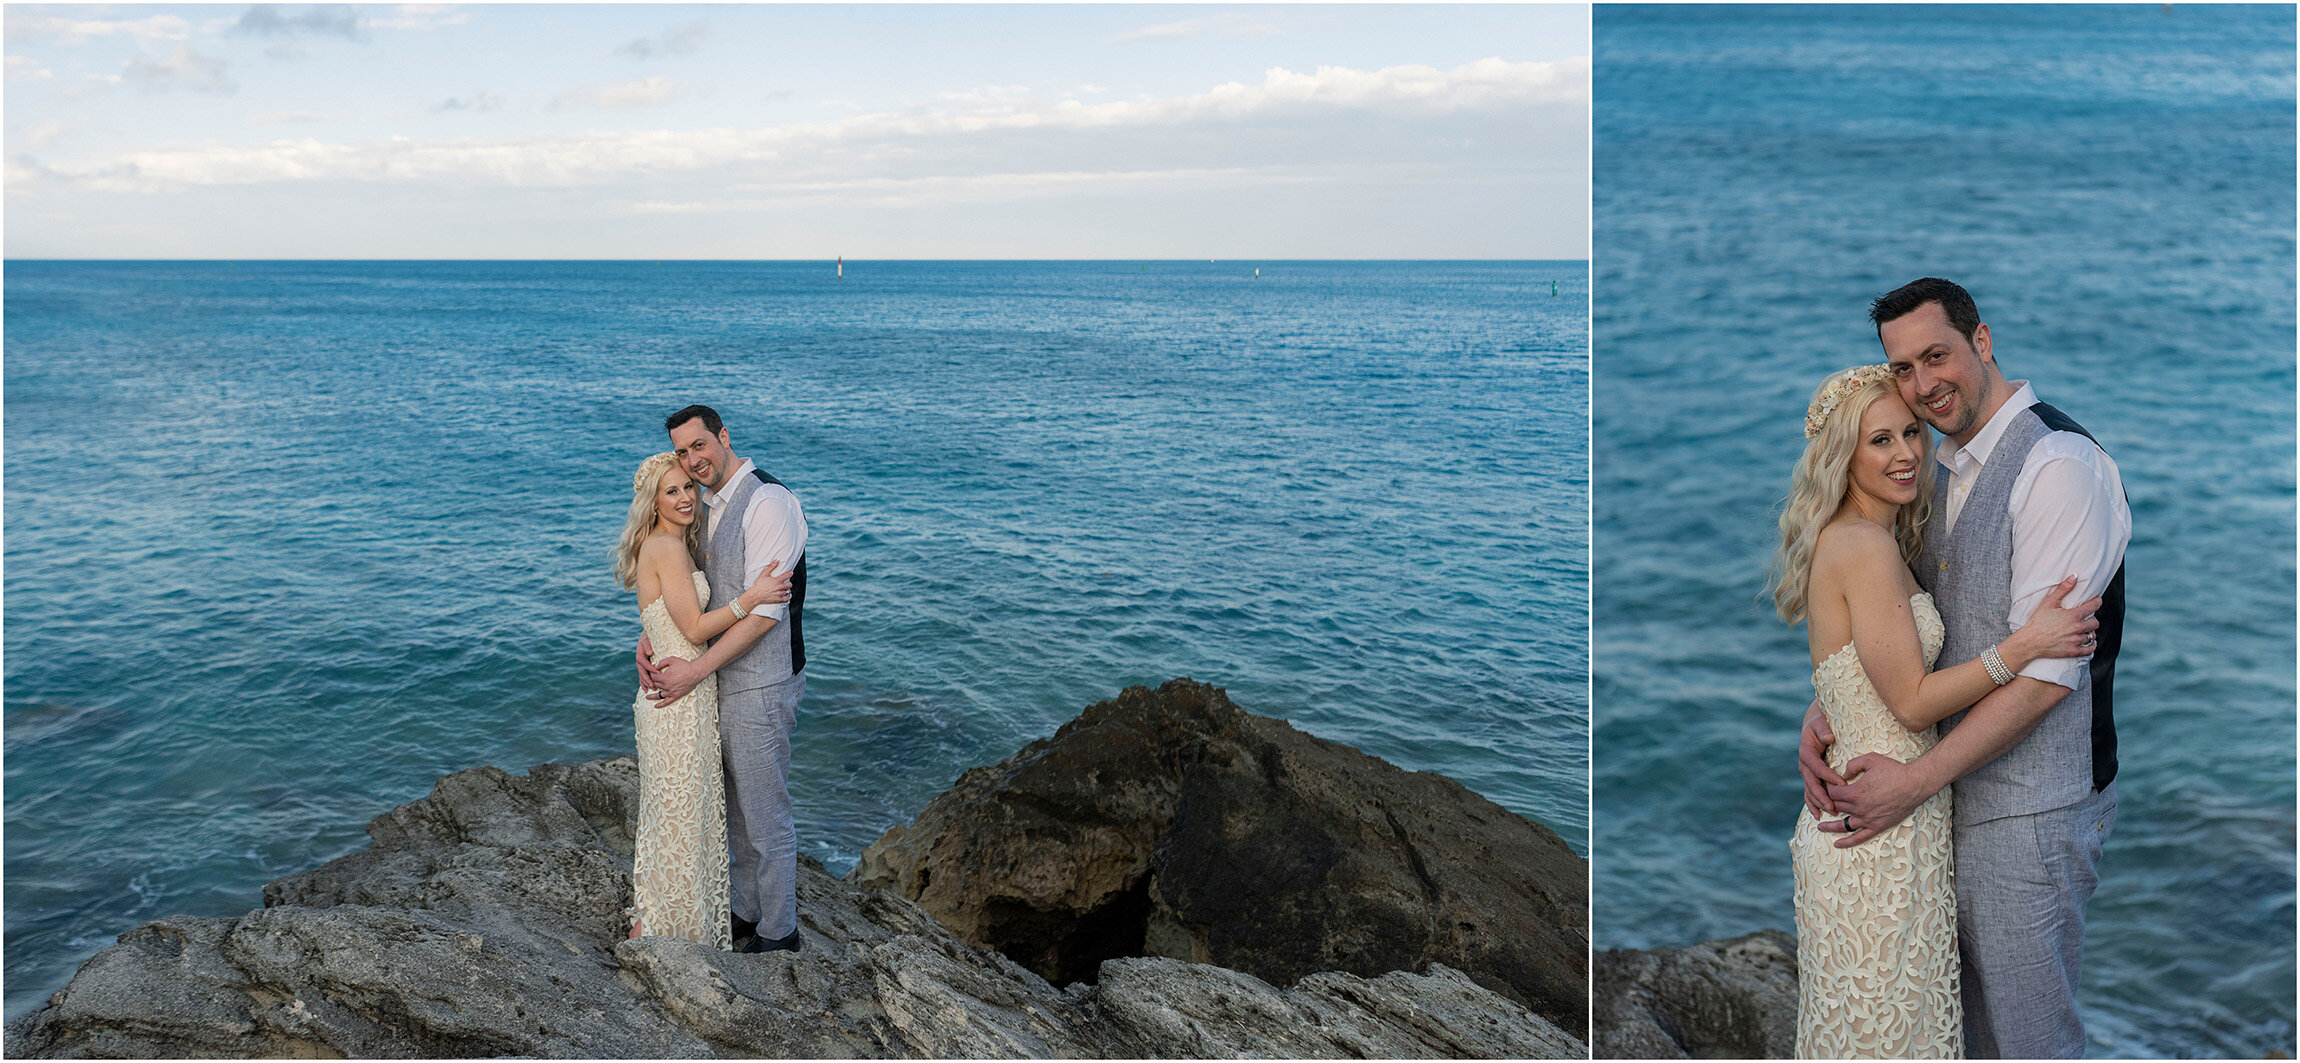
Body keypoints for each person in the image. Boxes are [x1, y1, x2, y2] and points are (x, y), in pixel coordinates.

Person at [1801, 278, 2132, 1058]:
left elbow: (2047, 678)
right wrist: (1831, 710)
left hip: (2030, 812)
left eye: (1937, 355)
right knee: (1960, 1035)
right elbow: (1898, 639)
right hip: (1937, 808)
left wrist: (1914, 781)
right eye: (1905, 368)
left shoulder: (2058, 465)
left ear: (1982, 340)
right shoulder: (1942, 470)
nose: (1923, 386)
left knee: (2026, 1038)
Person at [636, 404, 810, 954]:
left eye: (699, 446)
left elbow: (766, 614)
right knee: (730, 805)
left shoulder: (768, 503)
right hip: (710, 680)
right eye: (683, 453)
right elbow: (687, 590)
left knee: (764, 812)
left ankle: (780, 933)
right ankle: (746, 912)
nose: (693, 461)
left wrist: (693, 671)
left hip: (759, 680)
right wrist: (654, 634)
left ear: (723, 437)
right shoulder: (705, 505)